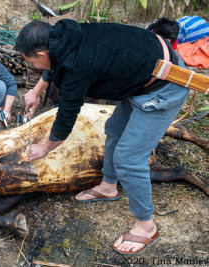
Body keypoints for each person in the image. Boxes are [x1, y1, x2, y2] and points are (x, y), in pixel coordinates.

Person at [15, 20, 189, 255]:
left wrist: (44, 149)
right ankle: (108, 187)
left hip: (165, 87)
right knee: (114, 130)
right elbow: (53, 64)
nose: (34, 66)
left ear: (42, 53)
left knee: (128, 160)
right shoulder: (64, 34)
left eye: (31, 61)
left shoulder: (77, 67)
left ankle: (146, 226)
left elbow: (66, 119)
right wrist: (36, 91)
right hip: (141, 77)